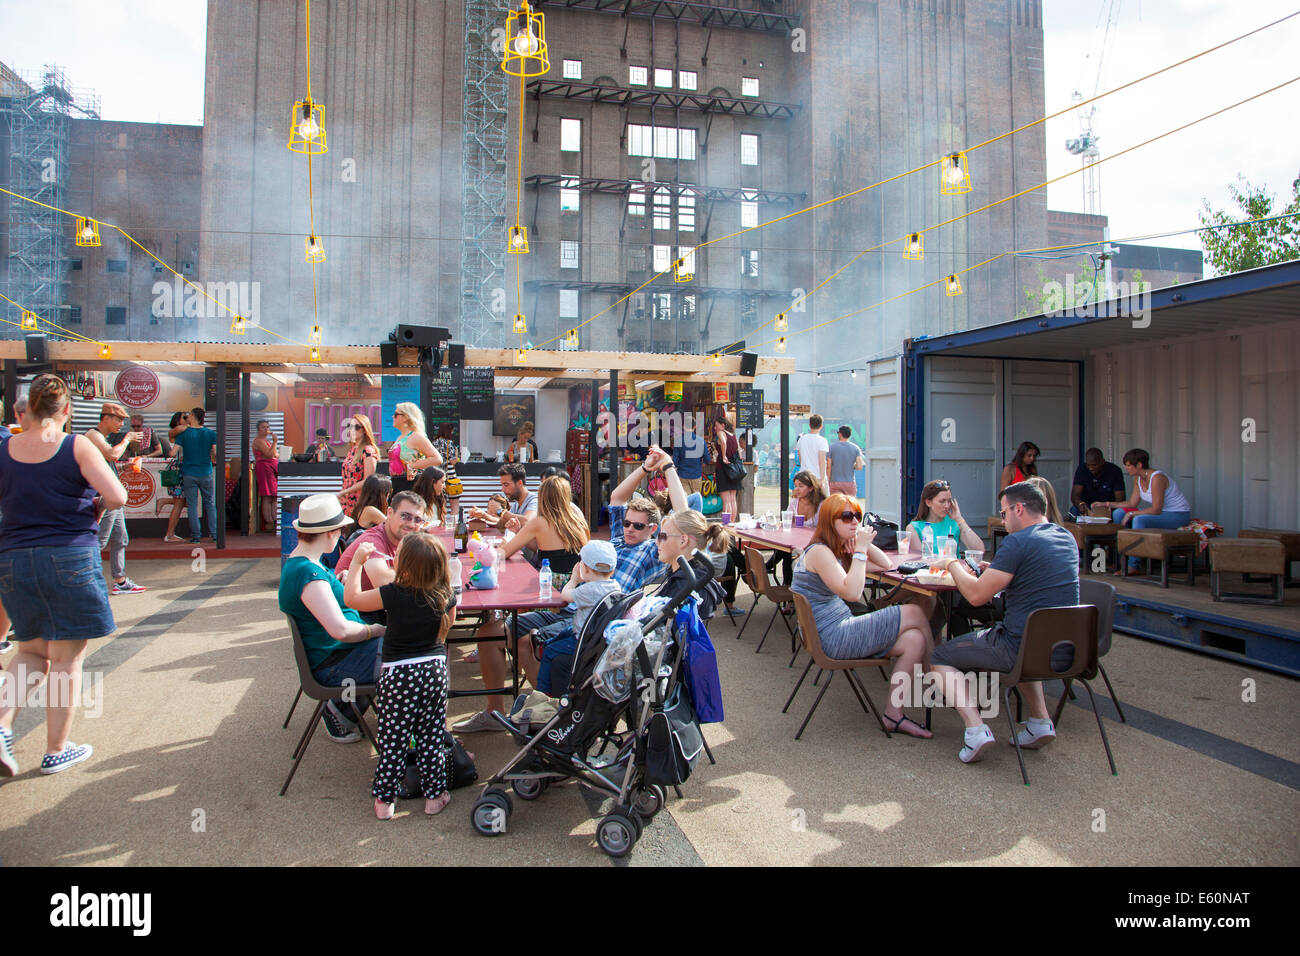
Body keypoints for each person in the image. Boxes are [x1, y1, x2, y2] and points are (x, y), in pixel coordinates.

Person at [0, 374, 126, 776]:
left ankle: (1, 723)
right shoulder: (76, 446)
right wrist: (96, 508)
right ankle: (57, 748)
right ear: (66, 410)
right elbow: (118, 495)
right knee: (67, 658)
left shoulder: (5, 448)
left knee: (31, 652)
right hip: (69, 554)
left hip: (15, 558)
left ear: (28, 410)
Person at [929, 480, 1079, 762]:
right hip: (1064, 651)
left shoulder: (1017, 542)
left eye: (1005, 512)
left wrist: (950, 564)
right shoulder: (1065, 537)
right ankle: (1040, 722)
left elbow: (974, 595)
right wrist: (995, 570)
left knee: (939, 656)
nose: (1002, 519)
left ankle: (976, 730)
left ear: (1019, 509)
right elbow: (1036, 578)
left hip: (1019, 649)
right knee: (1026, 638)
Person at [790, 494, 935, 738]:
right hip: (833, 638)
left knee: (914, 640)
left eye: (857, 515)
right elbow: (854, 593)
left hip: (835, 633)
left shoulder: (833, 552)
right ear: (829, 520)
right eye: (846, 516)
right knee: (916, 611)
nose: (854, 521)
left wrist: (862, 544)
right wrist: (858, 552)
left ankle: (893, 715)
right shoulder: (820, 553)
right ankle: (937, 678)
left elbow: (885, 564)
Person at [455, 474, 589, 732]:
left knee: (490, 632)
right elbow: (552, 547)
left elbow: (503, 553)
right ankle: (543, 704)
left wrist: (491, 546)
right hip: (576, 598)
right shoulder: (577, 519)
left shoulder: (541, 520)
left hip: (552, 598)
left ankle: (499, 710)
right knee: (517, 635)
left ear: (544, 498)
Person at [343, 531, 454, 819]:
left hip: (397, 673)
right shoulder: (445, 594)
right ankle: (435, 796)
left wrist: (356, 562)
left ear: (402, 565)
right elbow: (447, 630)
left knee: (393, 738)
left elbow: (352, 598)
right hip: (433, 669)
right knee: (431, 735)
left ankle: (384, 801)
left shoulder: (392, 593)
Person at [277, 494, 385, 744]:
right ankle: (407, 739)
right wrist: (376, 630)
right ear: (330, 533)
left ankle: (350, 711)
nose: (341, 535)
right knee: (408, 655)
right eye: (340, 531)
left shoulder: (305, 564)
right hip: (334, 663)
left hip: (336, 656)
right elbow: (341, 631)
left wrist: (337, 582)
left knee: (404, 646)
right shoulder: (309, 572)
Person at [84, 403, 146, 594]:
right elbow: (111, 455)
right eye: (118, 420)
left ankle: (120, 580)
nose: (121, 424)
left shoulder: (102, 437)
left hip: (111, 495)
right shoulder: (93, 435)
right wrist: (127, 439)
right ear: (106, 418)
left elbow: (106, 465)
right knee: (100, 540)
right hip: (104, 497)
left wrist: (125, 468)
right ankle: (85, 579)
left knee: (121, 538)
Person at [1113, 448, 1192, 571]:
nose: (1126, 468)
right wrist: (1106, 504)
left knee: (1139, 520)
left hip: (1178, 514)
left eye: (1128, 465)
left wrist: (1132, 513)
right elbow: (1132, 503)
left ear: (1139, 465)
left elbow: (1156, 509)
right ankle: (1122, 558)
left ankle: (1134, 565)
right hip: (1162, 514)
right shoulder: (1138, 478)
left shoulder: (1157, 478)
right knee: (1118, 513)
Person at [335, 490, 429, 595]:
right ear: (390, 513)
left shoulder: (406, 543)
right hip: (353, 609)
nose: (411, 524)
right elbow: (384, 583)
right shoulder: (372, 540)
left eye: (417, 520)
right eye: (405, 516)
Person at [168, 407, 219, 544]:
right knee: (210, 503)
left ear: (193, 416)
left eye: (188, 415)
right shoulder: (210, 433)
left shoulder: (184, 434)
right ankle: (214, 534)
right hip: (206, 472)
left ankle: (196, 536)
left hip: (189, 473)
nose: (187, 417)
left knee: (192, 505)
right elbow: (215, 453)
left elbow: (172, 453)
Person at [905, 479, 985, 554]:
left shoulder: (954, 523)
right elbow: (920, 559)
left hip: (954, 567)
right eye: (942, 501)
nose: (947, 506)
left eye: (949, 501)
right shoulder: (914, 528)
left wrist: (960, 520)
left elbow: (979, 550)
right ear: (929, 502)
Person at [388, 402, 442, 494]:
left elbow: (437, 459)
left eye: (396, 414)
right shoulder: (400, 437)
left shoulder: (416, 436)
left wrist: (412, 465)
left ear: (406, 417)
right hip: (397, 483)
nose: (393, 417)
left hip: (411, 485)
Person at [467, 463, 536, 532]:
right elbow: (501, 524)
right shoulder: (517, 504)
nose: (502, 489)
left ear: (519, 483)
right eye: (502, 485)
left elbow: (528, 521)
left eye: (506, 485)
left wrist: (501, 511)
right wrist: (483, 515)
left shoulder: (534, 501)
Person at [337, 413, 379, 518]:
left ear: (364, 430)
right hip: (346, 500)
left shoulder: (368, 450)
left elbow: (368, 480)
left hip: (359, 500)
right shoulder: (352, 450)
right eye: (349, 426)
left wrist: (345, 491)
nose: (352, 430)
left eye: (356, 427)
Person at [1070, 447, 1125, 517]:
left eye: (1094, 465)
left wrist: (1105, 508)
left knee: (1119, 513)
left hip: (1108, 507)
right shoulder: (1082, 469)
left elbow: (1120, 499)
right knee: (1074, 510)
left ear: (1102, 462)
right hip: (1087, 507)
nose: (1091, 468)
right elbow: (1075, 495)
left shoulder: (1115, 471)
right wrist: (1080, 504)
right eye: (1088, 465)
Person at [161, 411, 190, 543]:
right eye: (184, 418)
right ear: (178, 421)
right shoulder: (175, 432)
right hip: (179, 470)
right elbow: (181, 428)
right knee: (179, 502)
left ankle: (164, 501)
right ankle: (170, 534)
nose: (187, 419)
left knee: (186, 502)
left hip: (184, 469)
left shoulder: (185, 432)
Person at [710, 417, 742, 522]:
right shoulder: (734, 436)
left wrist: (723, 456)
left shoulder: (721, 433)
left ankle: (726, 524)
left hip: (723, 469)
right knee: (733, 499)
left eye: (716, 425)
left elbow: (723, 443)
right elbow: (739, 453)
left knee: (726, 500)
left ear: (722, 425)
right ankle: (732, 523)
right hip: (734, 471)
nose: (715, 427)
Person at [253, 419, 279, 532]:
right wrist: (275, 442)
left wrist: (273, 446)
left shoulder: (267, 441)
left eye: (267, 427)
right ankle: (269, 522)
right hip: (264, 469)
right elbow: (269, 454)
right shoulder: (258, 441)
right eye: (263, 427)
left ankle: (274, 520)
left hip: (272, 468)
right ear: (258, 429)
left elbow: (275, 454)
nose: (266, 429)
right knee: (267, 495)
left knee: (274, 496)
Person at [671, 416, 705, 496]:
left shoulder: (679, 440)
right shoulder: (700, 440)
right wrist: (701, 464)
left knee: (686, 500)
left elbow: (675, 460)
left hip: (683, 475)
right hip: (696, 474)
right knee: (696, 500)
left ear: (683, 426)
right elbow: (707, 458)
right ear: (695, 426)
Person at [795, 414, 829, 492]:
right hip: (817, 476)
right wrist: (822, 479)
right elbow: (822, 461)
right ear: (821, 426)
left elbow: (800, 458)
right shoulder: (822, 440)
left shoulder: (802, 439)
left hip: (804, 476)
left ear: (809, 425)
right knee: (823, 502)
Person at [826, 425, 863, 498]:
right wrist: (853, 466)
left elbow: (828, 466)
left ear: (840, 434)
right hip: (850, 482)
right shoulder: (856, 448)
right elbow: (859, 466)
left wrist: (828, 481)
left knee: (835, 506)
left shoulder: (831, 447)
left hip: (835, 482)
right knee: (850, 506)